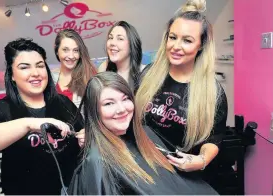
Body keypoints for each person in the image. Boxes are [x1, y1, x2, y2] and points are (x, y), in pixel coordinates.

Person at [67, 72, 218, 195]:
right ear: (94, 111)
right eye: (109, 103)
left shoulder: (146, 135)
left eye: (125, 99)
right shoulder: (96, 162)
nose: (122, 109)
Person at [0, 38, 84, 195]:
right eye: (24, 67)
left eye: (40, 66)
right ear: (11, 75)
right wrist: (30, 123)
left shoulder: (63, 102)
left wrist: (85, 137)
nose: (35, 73)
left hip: (72, 189)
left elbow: (82, 132)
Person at [136, 0, 228, 174]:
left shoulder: (213, 93)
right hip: (145, 165)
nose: (176, 46)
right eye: (172, 37)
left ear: (201, 45)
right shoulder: (149, 74)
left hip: (182, 176)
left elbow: (214, 139)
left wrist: (201, 160)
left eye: (187, 40)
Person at [52, 29, 97, 108]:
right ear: (57, 50)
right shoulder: (50, 78)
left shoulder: (89, 76)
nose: (71, 56)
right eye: (65, 50)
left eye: (75, 50)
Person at [98, 21, 145, 92]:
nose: (112, 43)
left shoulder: (145, 73)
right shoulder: (104, 68)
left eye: (120, 39)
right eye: (110, 38)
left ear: (132, 45)